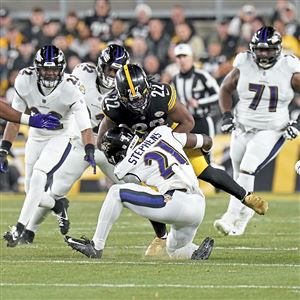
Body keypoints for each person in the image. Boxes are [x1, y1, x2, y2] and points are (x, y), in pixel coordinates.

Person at [97, 63, 268, 256]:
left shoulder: (161, 94)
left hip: (171, 137)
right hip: (143, 152)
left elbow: (188, 121)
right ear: (120, 96)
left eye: (141, 96)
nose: (137, 103)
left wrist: (168, 141)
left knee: (205, 171)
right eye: (131, 99)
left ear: (147, 87)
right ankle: (160, 237)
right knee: (148, 188)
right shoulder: (113, 107)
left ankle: (246, 196)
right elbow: (102, 141)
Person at [18, 44, 130, 244]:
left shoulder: (127, 89)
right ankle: (30, 230)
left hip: (109, 147)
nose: (113, 75)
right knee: (56, 189)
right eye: (111, 69)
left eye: (118, 71)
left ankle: (161, 235)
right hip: (80, 142)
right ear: (101, 66)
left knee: (131, 188)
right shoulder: (81, 74)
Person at [65, 125, 215, 260]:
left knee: (116, 192)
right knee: (175, 250)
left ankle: (96, 246)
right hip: (198, 203)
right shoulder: (162, 132)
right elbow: (207, 141)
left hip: (176, 202)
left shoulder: (125, 166)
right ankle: (195, 253)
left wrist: (160, 233)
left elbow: (142, 195)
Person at [2, 45, 96, 247]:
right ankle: (57, 204)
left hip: (62, 136)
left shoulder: (71, 86)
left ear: (62, 69)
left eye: (55, 69)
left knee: (39, 175)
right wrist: (4, 148)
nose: (51, 73)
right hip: (35, 137)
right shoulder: (24, 80)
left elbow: (85, 124)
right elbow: (14, 118)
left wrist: (89, 149)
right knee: (32, 192)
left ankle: (19, 228)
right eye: (46, 69)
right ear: (37, 68)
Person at [214, 26, 300, 236]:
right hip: (242, 127)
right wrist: (226, 115)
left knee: (247, 167)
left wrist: (297, 122)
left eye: (268, 50)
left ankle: (231, 215)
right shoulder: (243, 63)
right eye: (259, 50)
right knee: (237, 174)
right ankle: (244, 215)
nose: (263, 54)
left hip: (272, 129)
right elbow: (225, 89)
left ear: (278, 49)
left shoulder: (289, 67)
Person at [172, 43, 219, 139]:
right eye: (178, 57)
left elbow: (219, 95)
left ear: (191, 58)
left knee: (207, 152)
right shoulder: (174, 79)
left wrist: (199, 103)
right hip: (185, 123)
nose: (182, 60)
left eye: (184, 56)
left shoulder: (202, 76)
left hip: (202, 120)